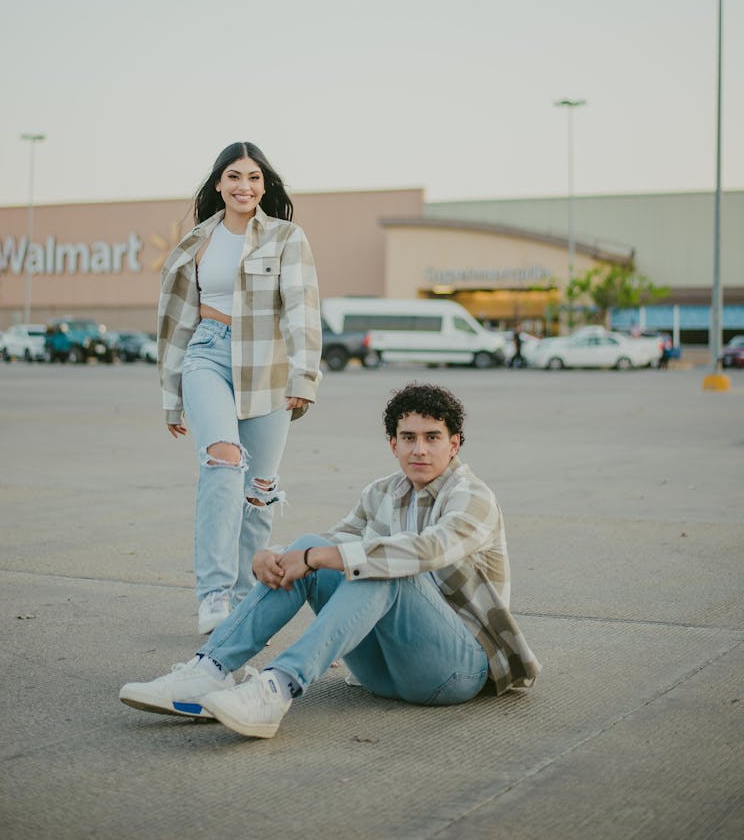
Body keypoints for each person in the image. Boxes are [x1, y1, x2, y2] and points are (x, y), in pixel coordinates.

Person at [119, 383, 541, 739]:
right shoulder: (382, 492)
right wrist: (278, 556)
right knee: (313, 545)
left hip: (455, 670)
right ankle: (208, 670)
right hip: (382, 673)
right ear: (392, 444)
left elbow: (427, 550)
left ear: (455, 444)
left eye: (432, 437)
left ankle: (277, 688)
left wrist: (319, 556)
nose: (420, 449)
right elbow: (330, 544)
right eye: (408, 437)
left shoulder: (472, 496)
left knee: (384, 565)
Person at [158, 141, 322, 635]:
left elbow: (301, 308)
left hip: (268, 361)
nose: (243, 186)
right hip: (207, 352)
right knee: (222, 461)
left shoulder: (287, 238)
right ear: (218, 185)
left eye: (252, 177)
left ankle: (243, 598)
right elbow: (174, 325)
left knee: (259, 488)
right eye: (233, 177)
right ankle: (212, 593)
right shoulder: (195, 243)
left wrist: (303, 374)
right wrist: (172, 396)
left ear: (264, 185)